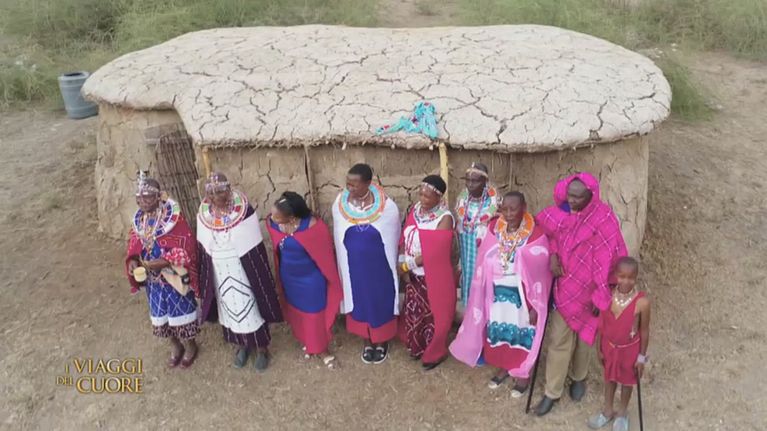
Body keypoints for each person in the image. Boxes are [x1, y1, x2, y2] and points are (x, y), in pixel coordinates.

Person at [533, 172, 628, 416]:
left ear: (591, 196)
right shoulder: (563, 212)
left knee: (585, 339)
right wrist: (553, 254)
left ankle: (579, 377)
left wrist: (603, 292)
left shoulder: (604, 218)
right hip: (566, 286)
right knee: (558, 339)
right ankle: (552, 392)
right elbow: (551, 234)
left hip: (592, 290)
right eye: (570, 195)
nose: (572, 201)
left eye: (578, 197)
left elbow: (614, 254)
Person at [450, 192, 553, 395]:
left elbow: (541, 272)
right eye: (504, 209)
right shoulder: (494, 228)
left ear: (524, 207)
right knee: (500, 330)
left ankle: (522, 374)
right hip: (497, 294)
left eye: (513, 209)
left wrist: (535, 306)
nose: (508, 213)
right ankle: (504, 366)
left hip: (522, 297)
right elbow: (484, 256)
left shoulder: (535, 234)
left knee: (521, 333)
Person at [197, 172, 282, 371]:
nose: (216, 197)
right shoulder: (204, 214)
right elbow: (203, 245)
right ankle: (242, 345)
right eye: (211, 193)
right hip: (219, 272)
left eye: (220, 191)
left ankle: (261, 348)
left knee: (251, 307)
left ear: (229, 190)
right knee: (228, 308)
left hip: (243, 268)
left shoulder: (244, 211)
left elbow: (253, 246)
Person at [126, 172, 200, 369]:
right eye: (139, 198)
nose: (142, 202)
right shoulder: (139, 221)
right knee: (160, 314)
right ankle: (175, 345)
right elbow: (133, 246)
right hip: (153, 281)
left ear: (159, 197)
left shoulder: (173, 219)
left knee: (181, 310)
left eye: (148, 197)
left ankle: (190, 345)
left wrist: (166, 261)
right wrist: (133, 261)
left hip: (173, 278)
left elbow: (187, 246)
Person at [332, 163, 401, 364]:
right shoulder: (340, 204)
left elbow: (393, 236)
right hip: (354, 266)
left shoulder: (387, 207)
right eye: (348, 184)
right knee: (359, 299)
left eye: (355, 185)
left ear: (368, 184)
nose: (350, 188)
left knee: (380, 299)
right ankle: (366, 340)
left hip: (379, 266)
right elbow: (339, 233)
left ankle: (382, 340)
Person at [266, 191, 343, 369]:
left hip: (311, 281)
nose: (273, 219)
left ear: (292, 218)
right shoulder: (274, 224)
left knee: (314, 315)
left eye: (278, 217)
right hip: (289, 279)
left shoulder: (314, 227)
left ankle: (322, 350)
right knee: (299, 313)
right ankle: (309, 342)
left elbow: (325, 257)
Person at [398, 175, 456, 370]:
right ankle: (417, 347)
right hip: (414, 275)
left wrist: (406, 266)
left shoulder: (445, 218)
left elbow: (433, 253)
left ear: (439, 197)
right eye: (421, 194)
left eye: (427, 196)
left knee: (434, 316)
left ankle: (435, 353)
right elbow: (404, 237)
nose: (422, 199)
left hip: (434, 277)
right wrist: (402, 262)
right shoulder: (415, 211)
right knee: (415, 312)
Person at [588, 257, 650, 431]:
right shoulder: (608, 296)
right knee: (610, 378)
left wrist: (641, 357)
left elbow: (644, 331)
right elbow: (602, 324)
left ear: (636, 277)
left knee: (627, 381)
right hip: (609, 347)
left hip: (629, 350)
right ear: (615, 275)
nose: (626, 281)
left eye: (631, 278)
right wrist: (599, 347)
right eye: (622, 277)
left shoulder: (642, 303)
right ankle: (607, 410)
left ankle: (622, 413)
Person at [455, 162, 499, 307]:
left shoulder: (494, 203)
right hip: (467, 251)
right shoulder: (462, 200)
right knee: (468, 278)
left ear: (485, 181)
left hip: (485, 251)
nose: (470, 184)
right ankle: (468, 312)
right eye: (467, 180)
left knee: (483, 281)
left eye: (475, 181)